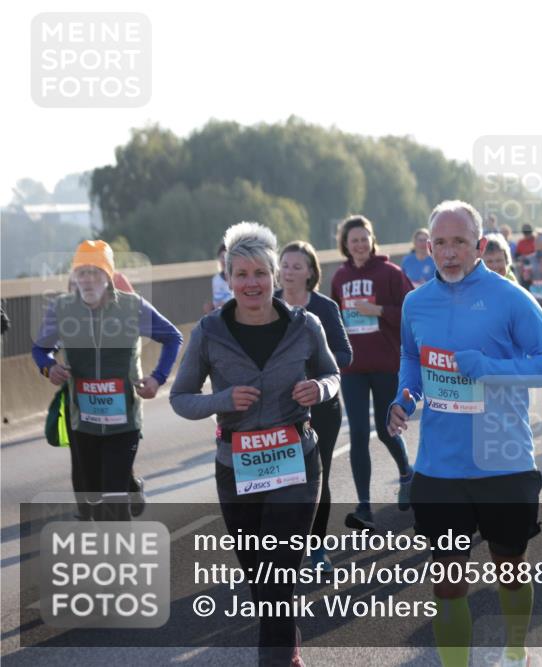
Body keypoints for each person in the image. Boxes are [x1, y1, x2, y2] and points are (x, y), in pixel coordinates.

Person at [388, 200, 542, 667]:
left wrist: (488, 368)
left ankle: (515, 650)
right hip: (439, 466)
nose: (449, 253)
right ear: (429, 247)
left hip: (502, 460)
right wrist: (404, 398)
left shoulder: (510, 297)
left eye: (460, 242)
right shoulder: (416, 301)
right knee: (447, 579)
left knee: (509, 569)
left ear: (481, 246)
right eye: (441, 243)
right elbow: (412, 358)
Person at [171, 222, 339, 667]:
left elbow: (332, 375)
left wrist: (318, 391)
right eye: (241, 274)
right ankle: (289, 642)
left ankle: (278, 660)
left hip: (297, 462)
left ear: (276, 277)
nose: (251, 283)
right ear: (228, 280)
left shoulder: (307, 326)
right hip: (237, 466)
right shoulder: (209, 332)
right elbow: (180, 398)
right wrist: (222, 400)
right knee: (261, 579)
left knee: (277, 574)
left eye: (260, 273)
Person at [33, 240, 183, 521]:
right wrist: (48, 367)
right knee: (93, 497)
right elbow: (40, 348)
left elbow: (172, 337)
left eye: (96, 272)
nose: (88, 279)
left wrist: (157, 378)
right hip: (83, 422)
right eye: (82, 272)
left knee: (111, 501)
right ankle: (131, 488)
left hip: (124, 420)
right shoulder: (61, 308)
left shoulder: (132, 307)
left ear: (108, 276)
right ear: (73, 277)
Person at [330, 215, 414, 529]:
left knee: (385, 429)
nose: (360, 245)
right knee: (358, 436)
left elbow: (410, 312)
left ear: (372, 240)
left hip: (386, 363)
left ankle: (407, 473)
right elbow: (335, 319)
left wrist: (377, 311)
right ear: (346, 245)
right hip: (352, 367)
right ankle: (364, 507)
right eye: (354, 240)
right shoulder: (339, 277)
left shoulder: (391, 273)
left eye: (364, 239)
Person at [276, 240, 353, 572]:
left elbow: (345, 355)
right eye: (285, 265)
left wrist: (315, 378)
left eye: (297, 266)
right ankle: (283, 548)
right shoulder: (266, 306)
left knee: (316, 478)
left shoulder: (324, 307)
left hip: (321, 406)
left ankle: (318, 548)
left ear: (310, 272)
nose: (289, 272)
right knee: (281, 481)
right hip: (279, 408)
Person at [205, 242, 233, 314]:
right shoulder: (216, 279)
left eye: (227, 257)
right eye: (222, 257)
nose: (224, 261)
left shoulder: (238, 278)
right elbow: (217, 301)